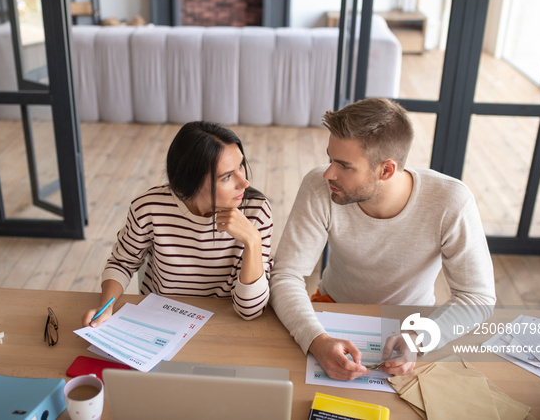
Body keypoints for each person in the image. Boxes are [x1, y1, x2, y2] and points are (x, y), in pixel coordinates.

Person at [269, 97, 496, 381]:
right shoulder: (320, 186)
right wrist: (316, 340)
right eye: (330, 158)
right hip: (329, 310)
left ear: (386, 170)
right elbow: (286, 275)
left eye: (344, 165)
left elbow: (478, 297)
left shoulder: (451, 201)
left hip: (414, 323)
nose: (329, 173)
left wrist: (419, 338)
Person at [83, 121, 273, 326]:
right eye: (227, 177)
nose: (244, 182)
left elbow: (250, 310)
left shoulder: (256, 212)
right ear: (191, 180)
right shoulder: (149, 207)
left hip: (224, 327)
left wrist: (253, 241)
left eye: (241, 166)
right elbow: (122, 263)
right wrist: (106, 307)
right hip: (159, 324)